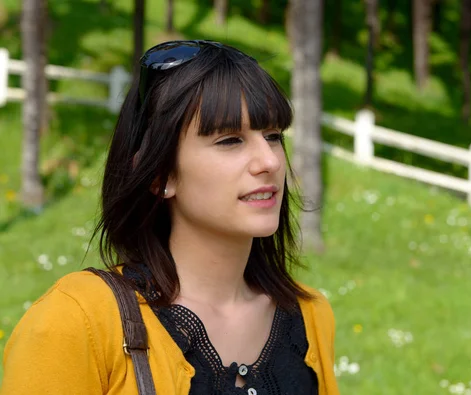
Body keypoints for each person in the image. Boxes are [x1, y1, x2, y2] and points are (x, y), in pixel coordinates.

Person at [0, 40, 339, 395]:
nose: (269, 161)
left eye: (272, 136)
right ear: (160, 175)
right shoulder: (74, 322)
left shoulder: (311, 317)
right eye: (230, 140)